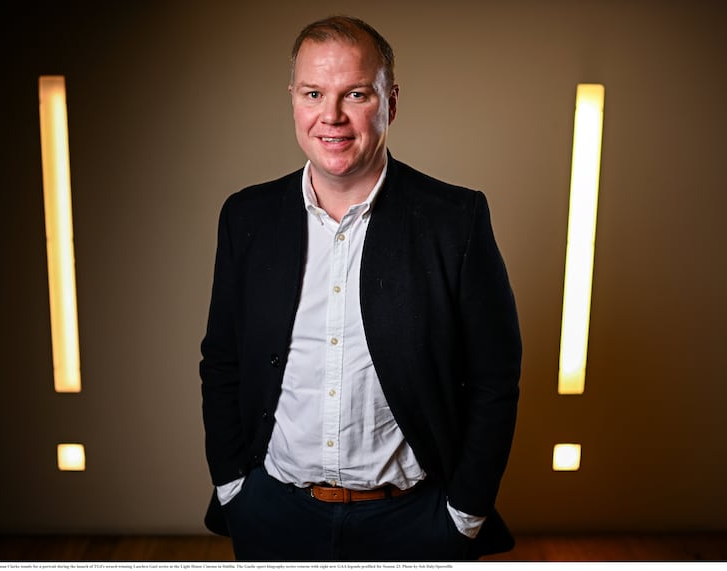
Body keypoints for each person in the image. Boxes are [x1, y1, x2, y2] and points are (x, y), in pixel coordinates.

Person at [200, 15, 521, 561]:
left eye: (354, 93)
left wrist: (465, 512)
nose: (331, 116)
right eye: (313, 93)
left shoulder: (455, 219)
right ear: (293, 101)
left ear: (390, 101)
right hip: (273, 514)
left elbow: (494, 377)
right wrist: (235, 488)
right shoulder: (246, 217)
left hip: (412, 520)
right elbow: (223, 360)